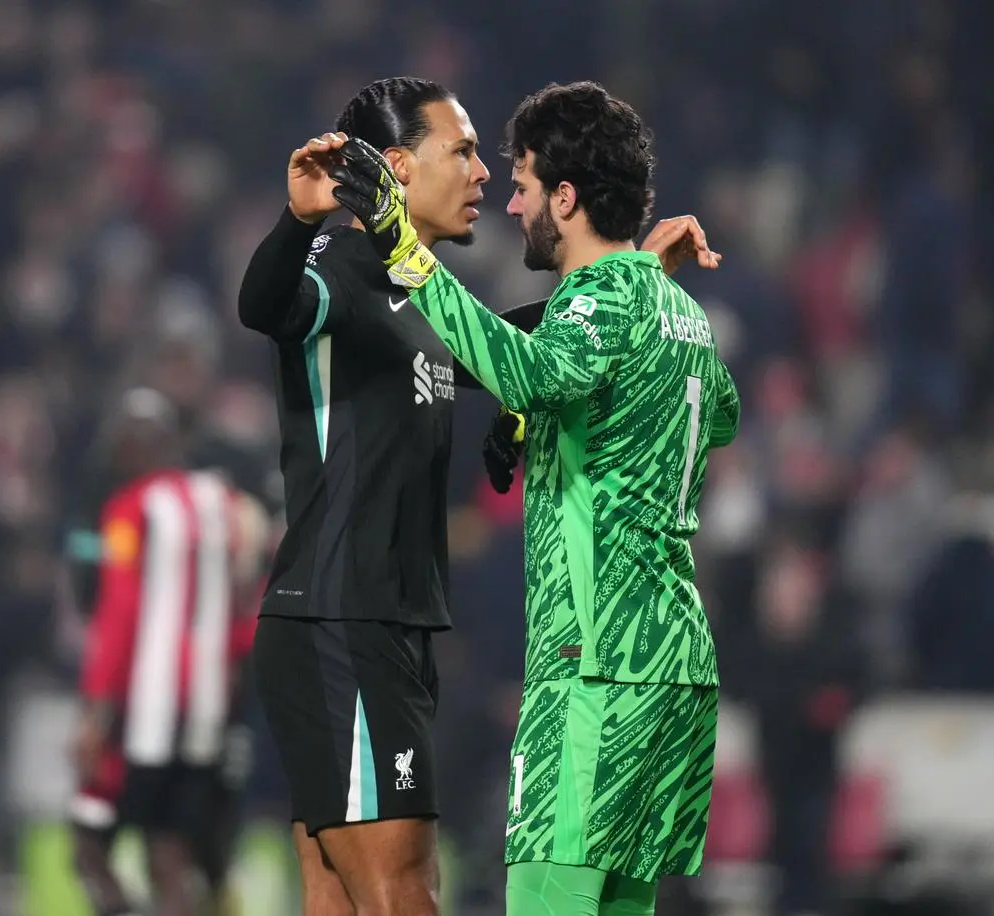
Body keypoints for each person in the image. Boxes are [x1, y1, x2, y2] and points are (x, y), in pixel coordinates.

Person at [236, 76, 718, 916]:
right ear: (394, 167)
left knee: (338, 895)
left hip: (396, 622)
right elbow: (265, 305)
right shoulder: (343, 270)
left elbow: (546, 343)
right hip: (341, 617)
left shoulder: (430, 302)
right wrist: (299, 220)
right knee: (408, 892)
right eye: (460, 151)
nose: (485, 174)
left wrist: (636, 270)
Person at [69, 387, 269, 916]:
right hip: (206, 714)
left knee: (87, 845)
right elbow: (248, 610)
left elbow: (117, 618)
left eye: (120, 442)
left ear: (140, 444)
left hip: (141, 714)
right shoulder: (225, 507)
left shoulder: (128, 511)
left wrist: (94, 710)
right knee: (170, 852)